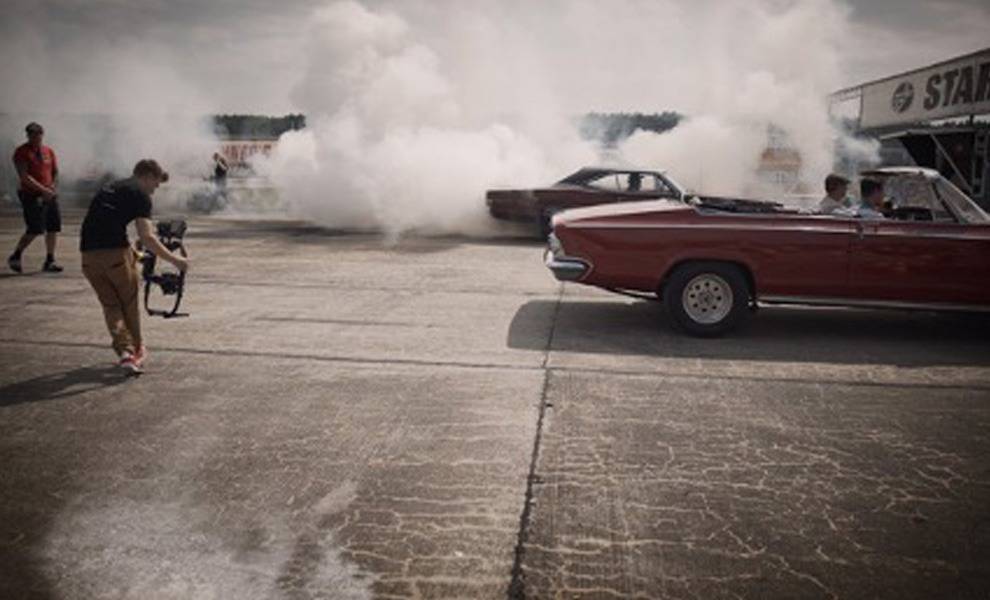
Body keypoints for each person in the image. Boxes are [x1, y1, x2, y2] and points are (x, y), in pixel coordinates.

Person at [79, 159, 189, 374]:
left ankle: (125, 352)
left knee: (111, 306)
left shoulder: (110, 186)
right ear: (147, 176)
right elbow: (147, 237)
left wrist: (133, 253)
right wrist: (176, 261)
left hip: (88, 256)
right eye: (155, 184)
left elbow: (102, 224)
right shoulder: (140, 195)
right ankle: (135, 352)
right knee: (129, 304)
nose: (155, 190)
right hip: (114, 256)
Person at [8, 122, 63, 273]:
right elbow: (24, 176)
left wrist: (52, 187)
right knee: (35, 228)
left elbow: (55, 172)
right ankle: (16, 255)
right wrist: (43, 190)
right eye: (32, 135)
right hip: (31, 195)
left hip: (49, 194)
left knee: (53, 227)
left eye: (38, 134)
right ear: (28, 135)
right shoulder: (22, 152)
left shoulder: (48, 151)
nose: (36, 138)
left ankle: (50, 260)